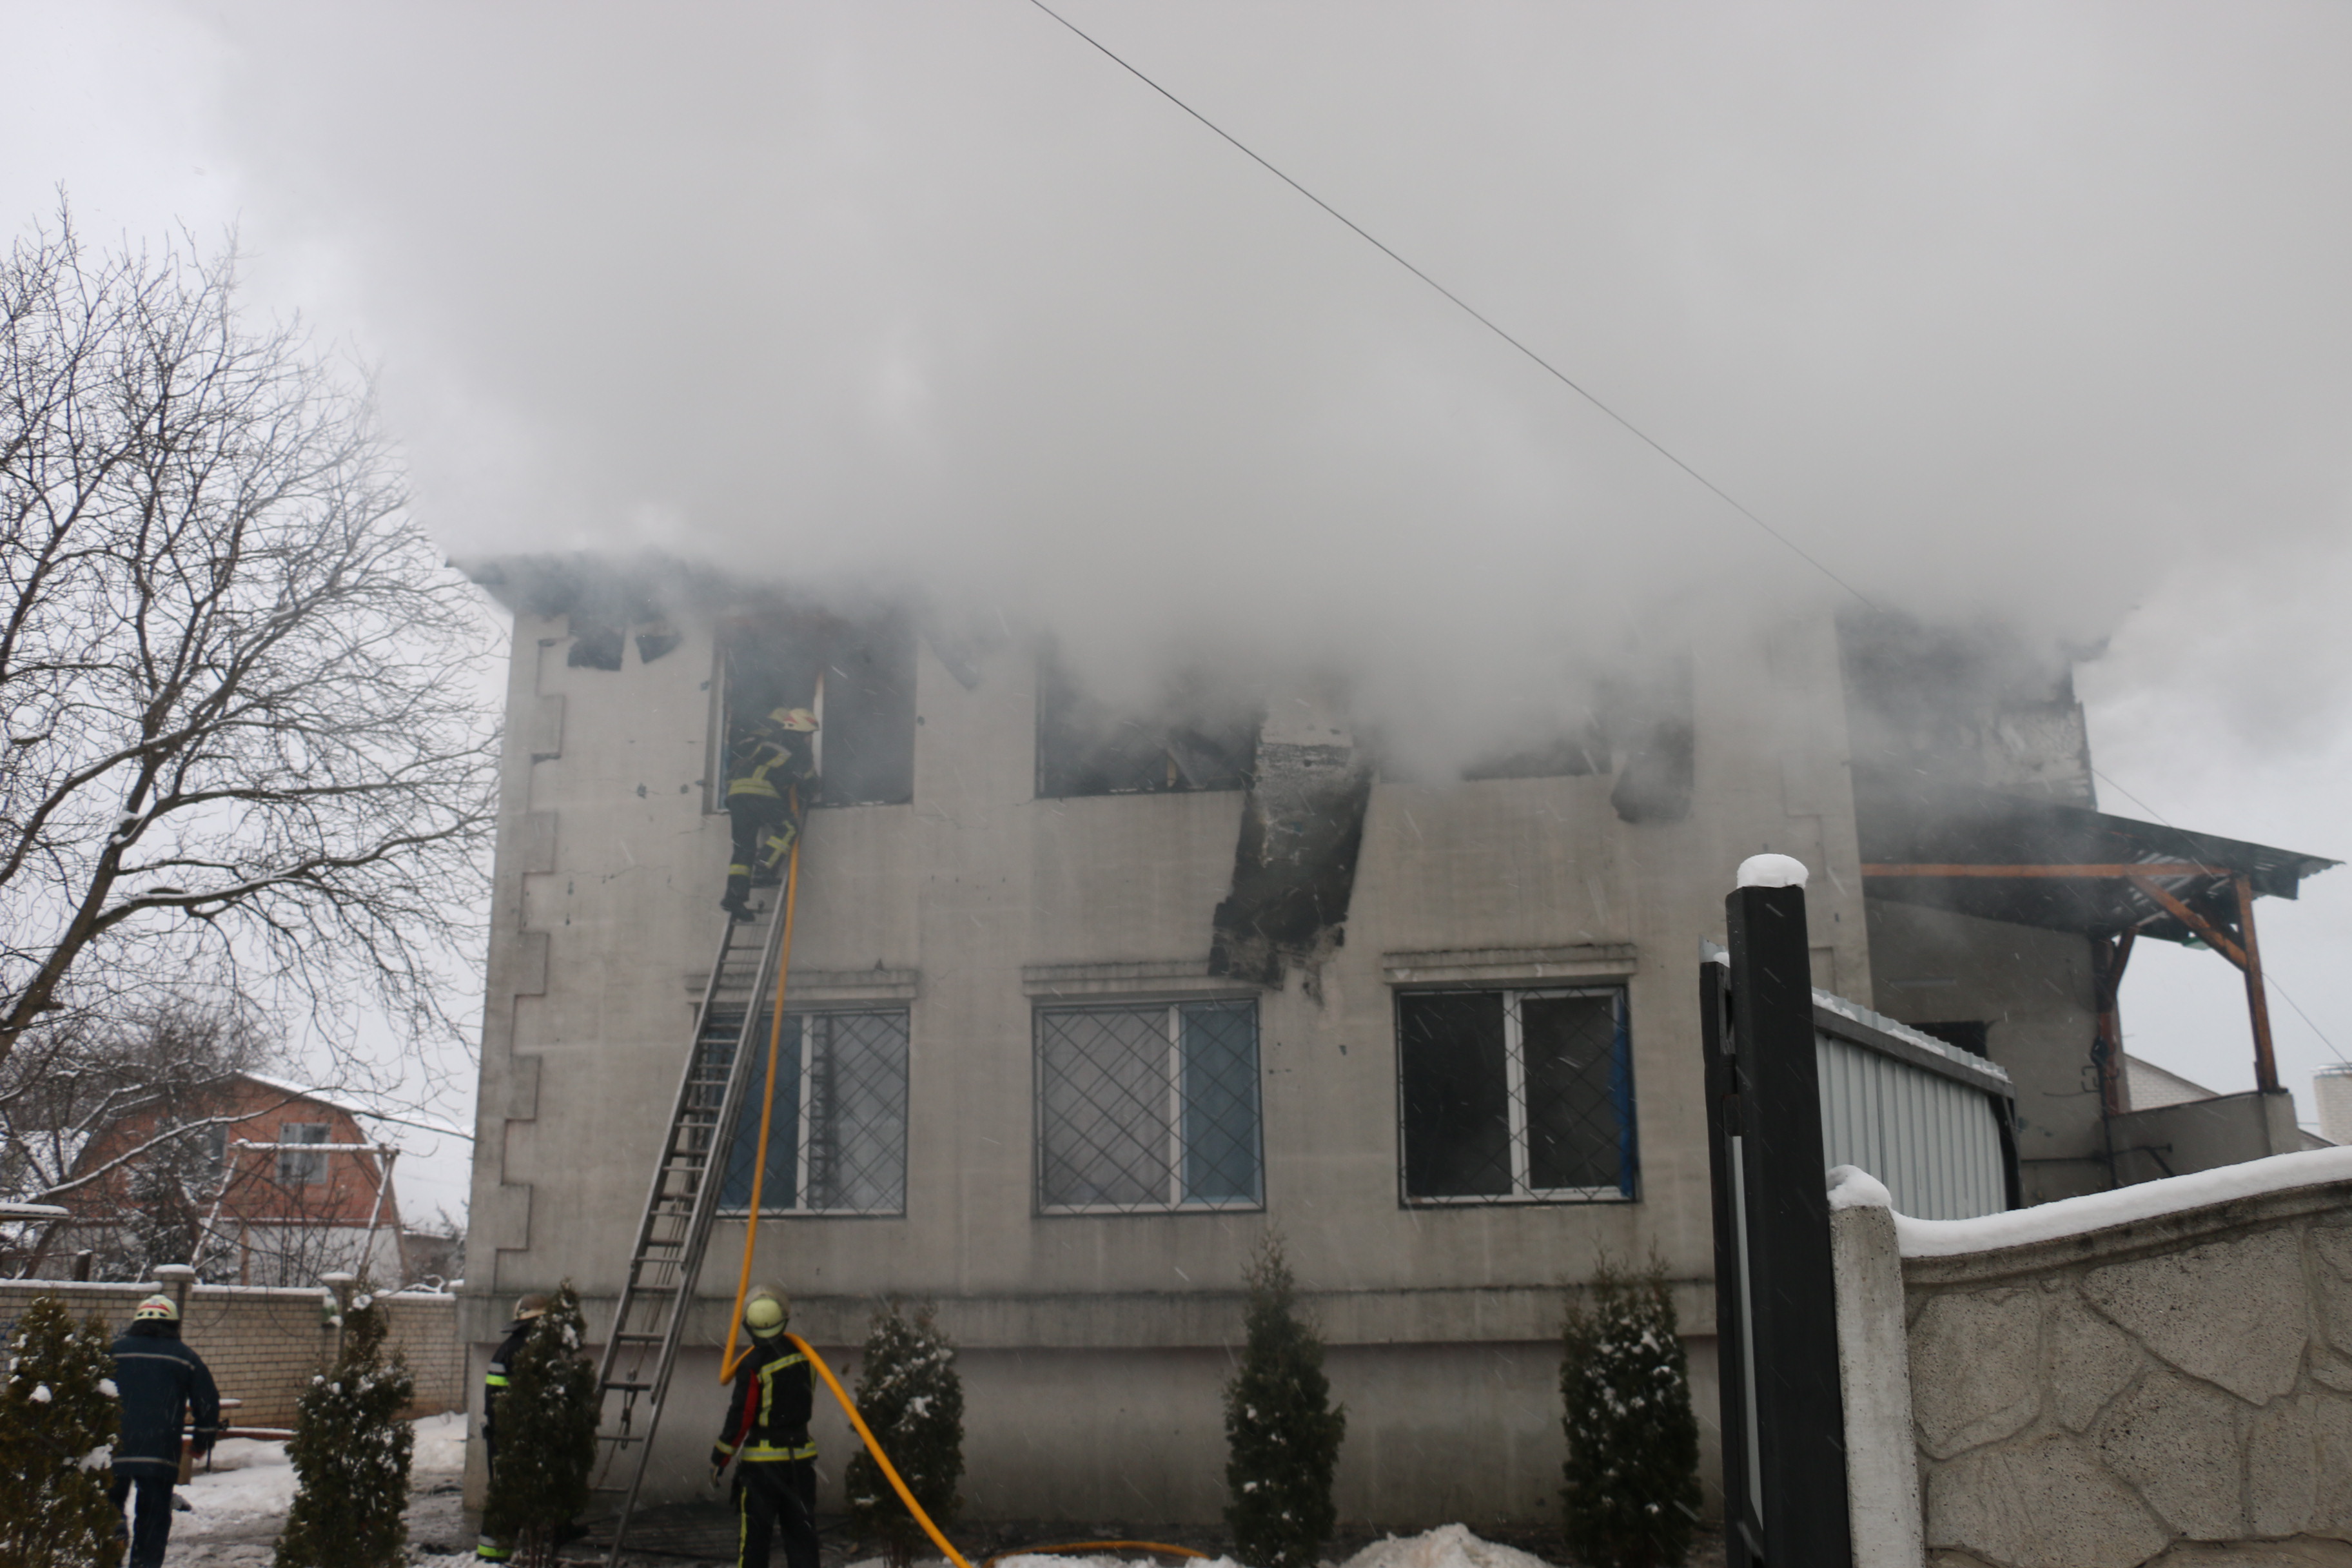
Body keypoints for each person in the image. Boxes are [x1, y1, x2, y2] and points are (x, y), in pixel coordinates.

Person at [108, 1292, 219, 1568]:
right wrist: (201, 1441)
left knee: (107, 1508)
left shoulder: (112, 1351)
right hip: (159, 1450)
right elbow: (208, 1402)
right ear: (174, 1325)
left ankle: (113, 1533)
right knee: (154, 1517)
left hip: (112, 1449)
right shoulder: (185, 1357)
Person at [710, 1289, 818, 1568]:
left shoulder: (752, 1365)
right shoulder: (805, 1355)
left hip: (763, 1470)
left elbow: (741, 1415)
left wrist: (720, 1457)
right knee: (802, 1539)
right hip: (801, 1462)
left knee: (755, 1544)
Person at [722, 706, 819, 920]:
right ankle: (765, 867)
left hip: (737, 794)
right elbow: (808, 781)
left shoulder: (767, 740)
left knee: (743, 848)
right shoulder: (798, 748)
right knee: (787, 828)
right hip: (760, 792)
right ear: (803, 730)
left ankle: (735, 898)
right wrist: (818, 791)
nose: (810, 738)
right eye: (810, 734)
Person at [476, 1292, 549, 1563]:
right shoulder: (525, 1352)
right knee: (511, 1496)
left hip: (503, 1435)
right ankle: (494, 1557)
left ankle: (493, 1555)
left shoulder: (509, 1348)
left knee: (505, 1495)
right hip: (513, 1436)